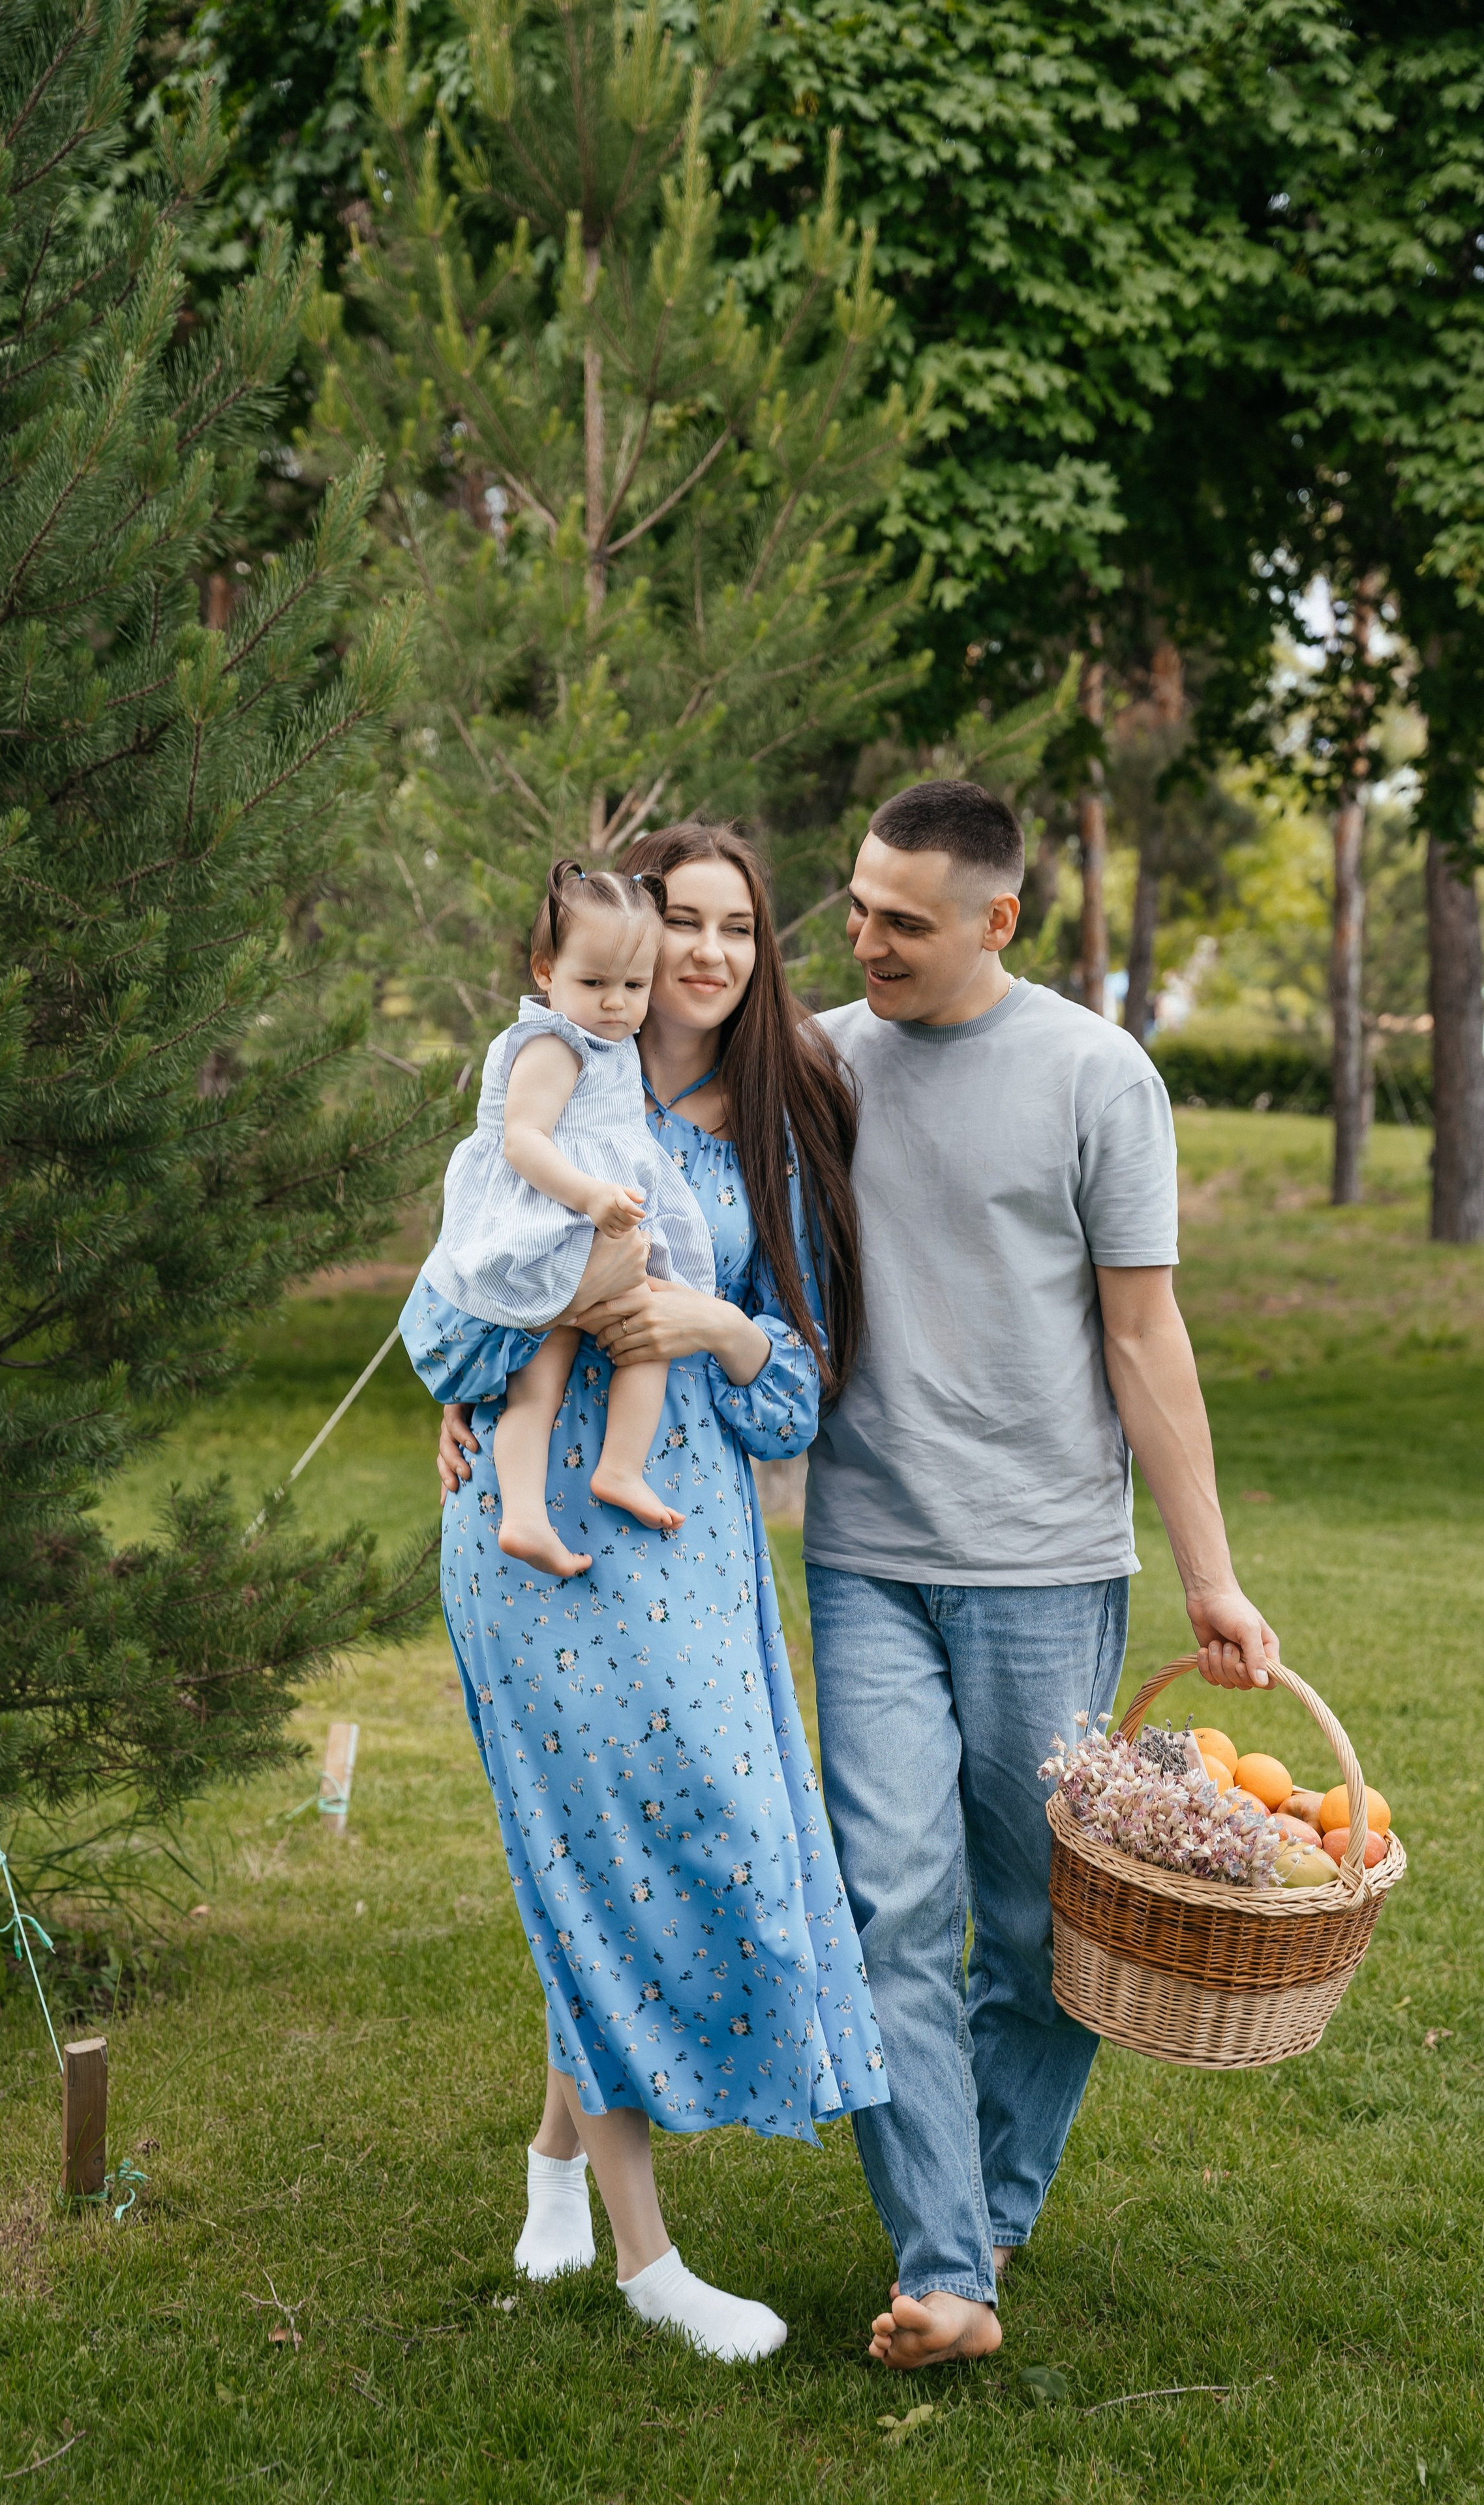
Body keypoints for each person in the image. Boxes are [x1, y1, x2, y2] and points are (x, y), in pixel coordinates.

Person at [801, 778, 1280, 2372]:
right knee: (888, 1908)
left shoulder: (1094, 1072)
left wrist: (1207, 1573)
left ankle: (987, 2206)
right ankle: (943, 2262)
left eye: (903, 920)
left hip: (1040, 1565)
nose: (864, 938)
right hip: (864, 1551)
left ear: (997, 919)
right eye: (857, 904)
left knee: (1039, 1934)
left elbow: (1142, 1333)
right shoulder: (812, 1061)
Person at [415, 821, 887, 2365]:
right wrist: (482, 1383)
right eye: (676, 923)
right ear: (580, 957)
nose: (700, 955)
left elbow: (800, 1382)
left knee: (708, 1841)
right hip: (528, 1529)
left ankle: (558, 2149)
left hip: (683, 1528)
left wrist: (718, 1328)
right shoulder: (545, 1089)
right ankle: (644, 2252)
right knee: (591, 1850)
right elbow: (454, 1305)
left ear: (761, 951)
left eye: (732, 929)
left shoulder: (775, 1113)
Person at [411, 860, 716, 1575]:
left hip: (586, 1227)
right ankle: (558, 1495)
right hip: (550, 1221)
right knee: (594, 1352)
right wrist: (590, 1197)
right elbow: (523, 1141)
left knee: (614, 1352)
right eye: (594, 983)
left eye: (634, 986)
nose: (616, 1004)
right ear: (545, 971)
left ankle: (591, 1481)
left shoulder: (610, 1043)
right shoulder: (553, 1044)